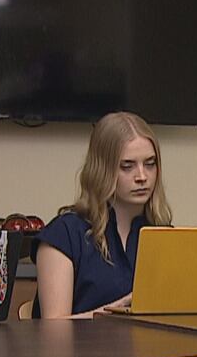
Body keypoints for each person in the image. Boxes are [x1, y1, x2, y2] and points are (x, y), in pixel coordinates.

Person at [32, 111, 172, 318]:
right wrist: (116, 310)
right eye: (127, 166)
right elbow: (53, 330)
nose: (142, 177)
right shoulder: (65, 234)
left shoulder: (164, 236)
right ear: (102, 170)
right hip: (79, 350)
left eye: (150, 164)